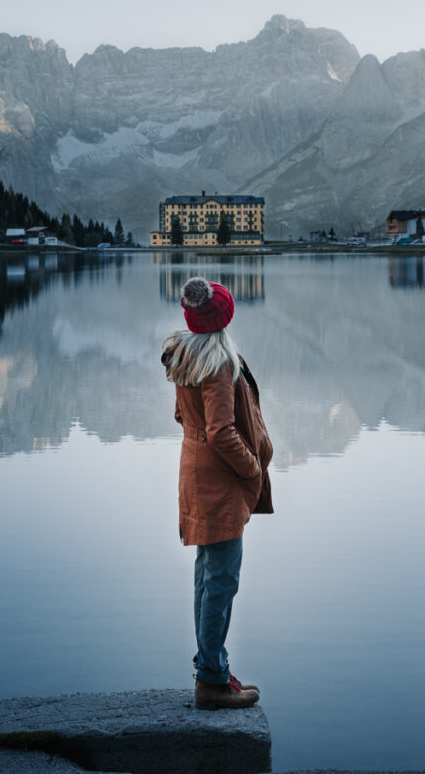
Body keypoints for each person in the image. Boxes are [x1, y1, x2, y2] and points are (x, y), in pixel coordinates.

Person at [161, 276, 274, 710]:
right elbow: (222, 432)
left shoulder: (184, 356)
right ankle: (211, 679)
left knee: (207, 577)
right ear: (224, 316)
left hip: (194, 474)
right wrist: (252, 471)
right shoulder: (218, 364)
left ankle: (213, 667)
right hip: (220, 482)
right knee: (222, 581)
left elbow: (182, 416)